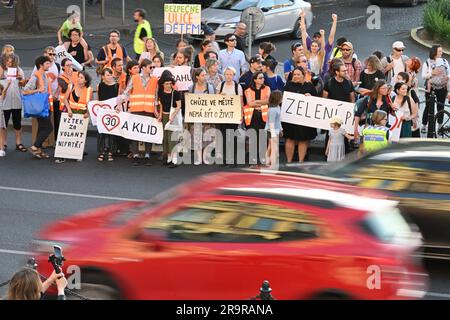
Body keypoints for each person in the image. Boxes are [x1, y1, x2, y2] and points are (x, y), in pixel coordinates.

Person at [119, 59, 158, 166]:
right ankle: (135, 155)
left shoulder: (155, 79)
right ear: (144, 68)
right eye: (150, 67)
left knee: (147, 133)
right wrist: (119, 104)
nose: (152, 69)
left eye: (153, 67)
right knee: (135, 133)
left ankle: (147, 155)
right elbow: (126, 92)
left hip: (149, 110)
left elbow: (156, 96)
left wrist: (155, 111)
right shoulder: (134, 78)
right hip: (136, 109)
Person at [282, 67, 318, 163]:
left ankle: (301, 162)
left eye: (298, 74)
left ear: (303, 75)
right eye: (295, 74)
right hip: (291, 118)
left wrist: (311, 97)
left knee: (303, 140)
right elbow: (283, 99)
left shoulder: (310, 86)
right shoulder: (288, 85)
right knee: (290, 139)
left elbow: (317, 101)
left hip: (304, 120)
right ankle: (289, 161)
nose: (296, 76)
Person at [23, 56, 54, 159]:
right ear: (41, 65)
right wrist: (38, 90)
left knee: (42, 128)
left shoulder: (44, 75)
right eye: (47, 64)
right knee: (49, 127)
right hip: (40, 107)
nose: (49, 65)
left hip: (45, 105)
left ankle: (38, 151)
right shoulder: (35, 77)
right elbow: (25, 91)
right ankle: (35, 146)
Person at [32, 47, 61, 147]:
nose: (52, 56)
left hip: (54, 98)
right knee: (45, 123)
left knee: (57, 119)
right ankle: (39, 144)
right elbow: (33, 80)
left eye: (54, 54)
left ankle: (55, 141)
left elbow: (60, 82)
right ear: (45, 54)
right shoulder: (38, 66)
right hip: (43, 98)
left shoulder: (57, 66)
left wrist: (56, 94)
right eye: (50, 54)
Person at [216, 66, 244, 166]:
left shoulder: (238, 87)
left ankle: (233, 159)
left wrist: (241, 114)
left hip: (234, 115)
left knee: (233, 137)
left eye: (230, 74)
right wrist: (219, 96)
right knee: (223, 137)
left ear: (234, 75)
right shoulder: (221, 84)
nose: (228, 76)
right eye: (227, 74)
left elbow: (241, 102)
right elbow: (215, 99)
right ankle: (224, 159)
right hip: (223, 115)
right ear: (224, 75)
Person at [188, 67, 215, 165]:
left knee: (207, 136)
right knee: (197, 136)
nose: (205, 77)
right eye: (203, 75)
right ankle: (198, 157)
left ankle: (205, 157)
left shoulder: (210, 87)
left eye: (205, 75)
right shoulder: (192, 87)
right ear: (197, 77)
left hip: (207, 115)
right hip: (196, 116)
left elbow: (213, 101)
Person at [0, 54, 26, 153]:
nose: (9, 63)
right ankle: (4, 143)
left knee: (17, 123)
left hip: (16, 101)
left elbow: (24, 84)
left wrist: (21, 79)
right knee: (3, 124)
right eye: (7, 61)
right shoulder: (2, 70)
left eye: (11, 61)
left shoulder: (19, 70)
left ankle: (18, 143)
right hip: (4, 102)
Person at [244, 71, 271, 166]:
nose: (263, 79)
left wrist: (256, 102)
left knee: (263, 139)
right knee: (253, 139)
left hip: (263, 117)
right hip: (253, 117)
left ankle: (263, 160)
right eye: (260, 78)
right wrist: (262, 102)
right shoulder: (248, 90)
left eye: (263, 78)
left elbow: (268, 101)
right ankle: (253, 161)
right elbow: (250, 103)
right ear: (255, 80)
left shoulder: (267, 88)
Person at [421, 44, 449, 131]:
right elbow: (423, 76)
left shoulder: (445, 61)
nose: (441, 52)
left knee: (441, 107)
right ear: (434, 52)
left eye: (441, 51)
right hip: (431, 86)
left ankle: (440, 126)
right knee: (428, 106)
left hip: (442, 87)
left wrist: (447, 77)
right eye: (439, 51)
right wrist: (432, 73)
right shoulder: (427, 62)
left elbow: (449, 72)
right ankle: (424, 125)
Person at [157, 70, 182, 168]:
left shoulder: (175, 93)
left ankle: (174, 160)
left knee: (172, 138)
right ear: (162, 84)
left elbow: (179, 106)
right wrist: (160, 115)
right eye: (166, 84)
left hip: (173, 117)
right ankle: (168, 158)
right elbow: (161, 104)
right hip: (164, 116)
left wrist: (173, 116)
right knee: (166, 138)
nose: (168, 85)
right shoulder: (161, 93)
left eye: (170, 83)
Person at [303, 13, 338, 78]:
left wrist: (334, 21)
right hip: (310, 77)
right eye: (315, 37)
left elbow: (331, 36)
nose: (316, 39)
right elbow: (304, 33)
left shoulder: (326, 47)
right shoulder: (312, 45)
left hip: (323, 76)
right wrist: (302, 21)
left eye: (319, 37)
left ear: (322, 38)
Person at [96, 68, 119, 162]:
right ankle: (101, 151)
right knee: (101, 132)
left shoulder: (117, 86)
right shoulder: (100, 86)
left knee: (112, 132)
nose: (110, 77)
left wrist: (118, 108)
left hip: (112, 112)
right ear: (103, 77)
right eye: (108, 75)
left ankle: (111, 152)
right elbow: (98, 99)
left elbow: (118, 99)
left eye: (110, 74)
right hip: (102, 111)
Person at [396, 72, 420, 137]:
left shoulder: (410, 91)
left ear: (404, 80)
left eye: (399, 79)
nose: (396, 80)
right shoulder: (395, 91)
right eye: (397, 78)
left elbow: (416, 106)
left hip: (407, 122)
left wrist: (413, 119)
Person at [265, 90, 283, 169]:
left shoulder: (277, 107)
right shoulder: (272, 110)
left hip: (276, 130)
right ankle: (273, 164)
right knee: (274, 148)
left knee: (270, 147)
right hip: (272, 131)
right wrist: (274, 136)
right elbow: (271, 124)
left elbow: (278, 120)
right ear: (277, 99)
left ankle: (267, 161)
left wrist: (281, 129)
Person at [0, 83, 7, 157]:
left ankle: (1, 149)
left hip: (0, 119)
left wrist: (7, 84)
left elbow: (4, 91)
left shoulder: (1, 97)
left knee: (1, 135)